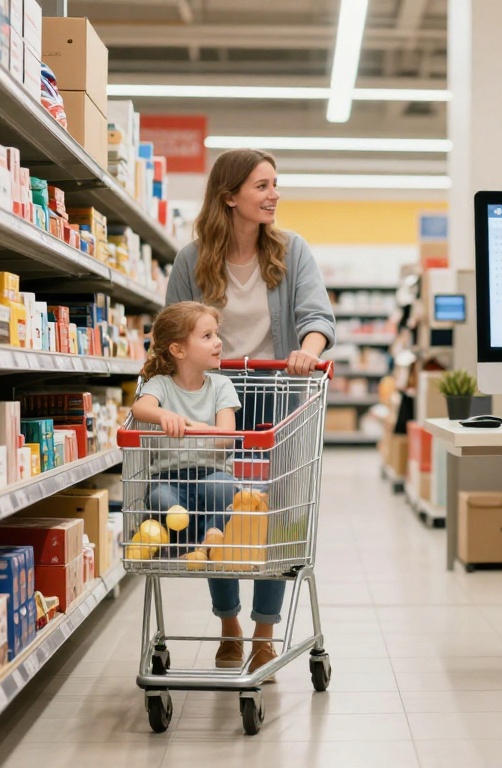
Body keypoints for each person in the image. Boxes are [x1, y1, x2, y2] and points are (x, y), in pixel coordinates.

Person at [165, 148, 336, 674]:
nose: (274, 194)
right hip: (214, 400)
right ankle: (228, 623)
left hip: (278, 396)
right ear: (230, 197)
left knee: (270, 512)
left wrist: (307, 348)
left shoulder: (292, 250)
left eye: (275, 184)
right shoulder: (191, 260)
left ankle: (265, 631)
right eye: (262, 186)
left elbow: (317, 316)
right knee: (222, 509)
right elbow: (171, 327)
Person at [129, 302, 244, 647]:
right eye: (207, 336)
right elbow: (140, 408)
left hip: (210, 474)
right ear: (178, 349)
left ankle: (208, 536)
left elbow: (226, 438)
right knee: (159, 498)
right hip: (171, 480)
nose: (218, 342)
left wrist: (193, 425)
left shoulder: (221, 385)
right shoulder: (160, 385)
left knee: (222, 489)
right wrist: (163, 416)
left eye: (216, 334)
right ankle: (184, 537)